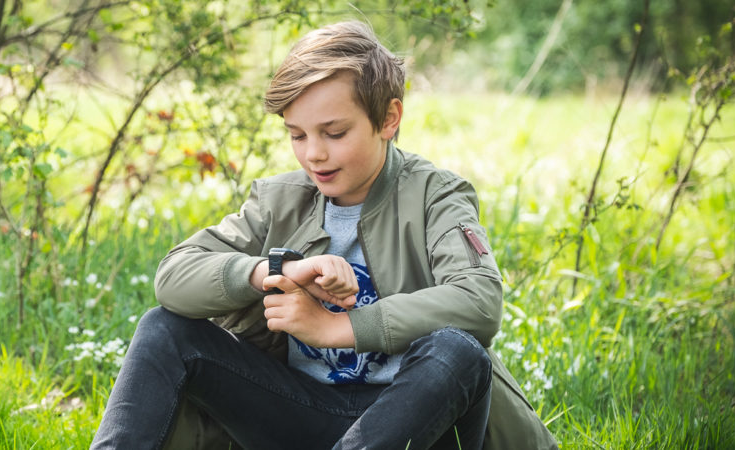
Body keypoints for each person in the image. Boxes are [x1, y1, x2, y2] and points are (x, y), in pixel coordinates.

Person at [91, 21, 556, 450]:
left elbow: (479, 301)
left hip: (417, 420)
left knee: (458, 350)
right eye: (297, 135)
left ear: (388, 119)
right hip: (301, 411)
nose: (314, 155)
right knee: (163, 328)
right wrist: (272, 271)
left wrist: (337, 327)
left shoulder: (436, 194)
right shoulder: (279, 200)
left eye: (334, 133)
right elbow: (173, 277)